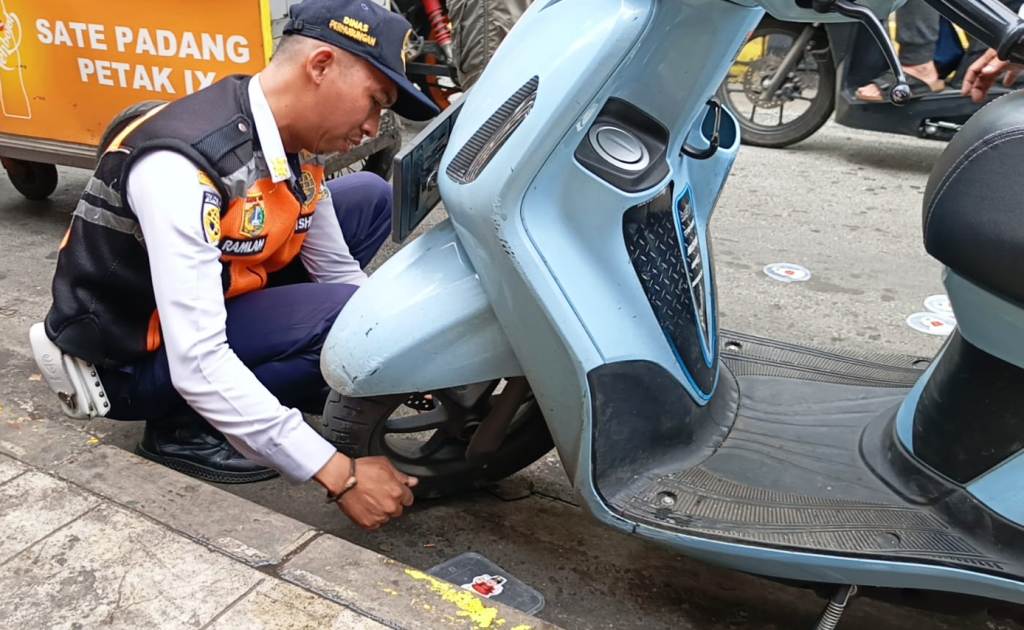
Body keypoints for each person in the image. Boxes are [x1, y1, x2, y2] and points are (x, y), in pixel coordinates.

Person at [36, 0, 439, 530]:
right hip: (126, 364)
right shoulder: (184, 166)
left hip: (209, 303)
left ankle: (282, 376)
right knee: (341, 316)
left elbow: (336, 267)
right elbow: (198, 361)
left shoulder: (292, 140)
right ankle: (182, 429)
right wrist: (338, 473)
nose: (371, 127)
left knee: (368, 198)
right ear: (320, 66)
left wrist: (397, 350)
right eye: (374, 101)